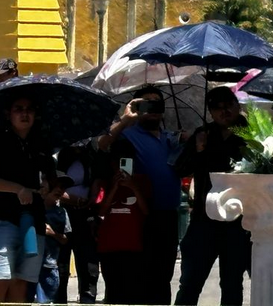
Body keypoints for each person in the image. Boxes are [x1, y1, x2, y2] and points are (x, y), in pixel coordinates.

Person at [97, 85, 184, 304]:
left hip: (168, 216)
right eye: (146, 103)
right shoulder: (127, 135)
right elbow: (102, 144)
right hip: (141, 217)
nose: (152, 107)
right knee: (140, 279)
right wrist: (126, 119)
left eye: (157, 103)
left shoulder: (171, 138)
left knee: (163, 277)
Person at [0, 94, 59, 303]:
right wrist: (17, 189)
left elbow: (50, 178)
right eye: (18, 109)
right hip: (3, 221)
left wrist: (47, 186)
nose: (24, 113)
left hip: (35, 222)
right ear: (8, 114)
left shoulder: (41, 144)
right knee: (1, 280)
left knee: (22, 283)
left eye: (29, 109)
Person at [172, 87, 249, 306]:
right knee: (190, 282)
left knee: (232, 283)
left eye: (228, 105)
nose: (224, 112)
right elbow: (180, 169)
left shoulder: (252, 135)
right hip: (204, 220)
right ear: (211, 111)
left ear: (237, 105)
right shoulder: (202, 134)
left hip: (239, 222)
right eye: (218, 108)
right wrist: (198, 149)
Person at [97, 140, 149, 305]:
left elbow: (146, 211)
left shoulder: (142, 181)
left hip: (133, 246)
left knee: (132, 293)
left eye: (125, 161)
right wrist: (113, 188)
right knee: (113, 292)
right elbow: (101, 211)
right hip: (109, 246)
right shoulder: (105, 183)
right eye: (117, 161)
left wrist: (133, 187)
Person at [55, 143, 100, 305]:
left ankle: (88, 299)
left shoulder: (91, 157)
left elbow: (97, 180)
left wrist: (91, 199)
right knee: (61, 265)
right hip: (64, 213)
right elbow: (54, 188)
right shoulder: (60, 158)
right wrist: (76, 200)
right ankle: (59, 300)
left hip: (86, 214)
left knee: (88, 264)